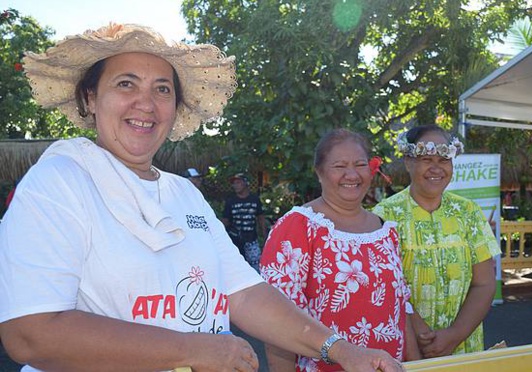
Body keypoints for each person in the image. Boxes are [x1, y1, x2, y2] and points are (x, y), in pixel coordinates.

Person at [0, 23, 405, 372]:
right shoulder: (59, 183)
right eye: (126, 84)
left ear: (176, 108)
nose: (146, 103)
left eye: (162, 89)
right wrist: (194, 349)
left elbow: (244, 293)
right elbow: (30, 333)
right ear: (90, 98)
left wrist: (341, 349)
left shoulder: (183, 195)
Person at [260, 128, 420, 371]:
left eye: (360, 164)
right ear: (319, 172)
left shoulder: (384, 230)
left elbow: (400, 308)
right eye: (339, 166)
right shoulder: (298, 227)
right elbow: (275, 319)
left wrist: (418, 365)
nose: (352, 174)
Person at [373, 124, 500, 358]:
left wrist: (454, 335)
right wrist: (421, 334)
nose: (436, 168)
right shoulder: (384, 216)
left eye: (443, 160)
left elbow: (484, 284)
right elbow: (386, 289)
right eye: (426, 159)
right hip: (407, 348)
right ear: (409, 162)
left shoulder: (468, 212)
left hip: (463, 347)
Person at [222, 173, 267, 271]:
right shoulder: (231, 201)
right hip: (235, 240)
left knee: (256, 266)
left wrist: (264, 236)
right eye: (234, 183)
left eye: (238, 182)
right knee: (237, 266)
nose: (235, 185)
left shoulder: (255, 199)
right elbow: (225, 220)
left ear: (246, 183)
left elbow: (261, 217)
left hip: (251, 240)